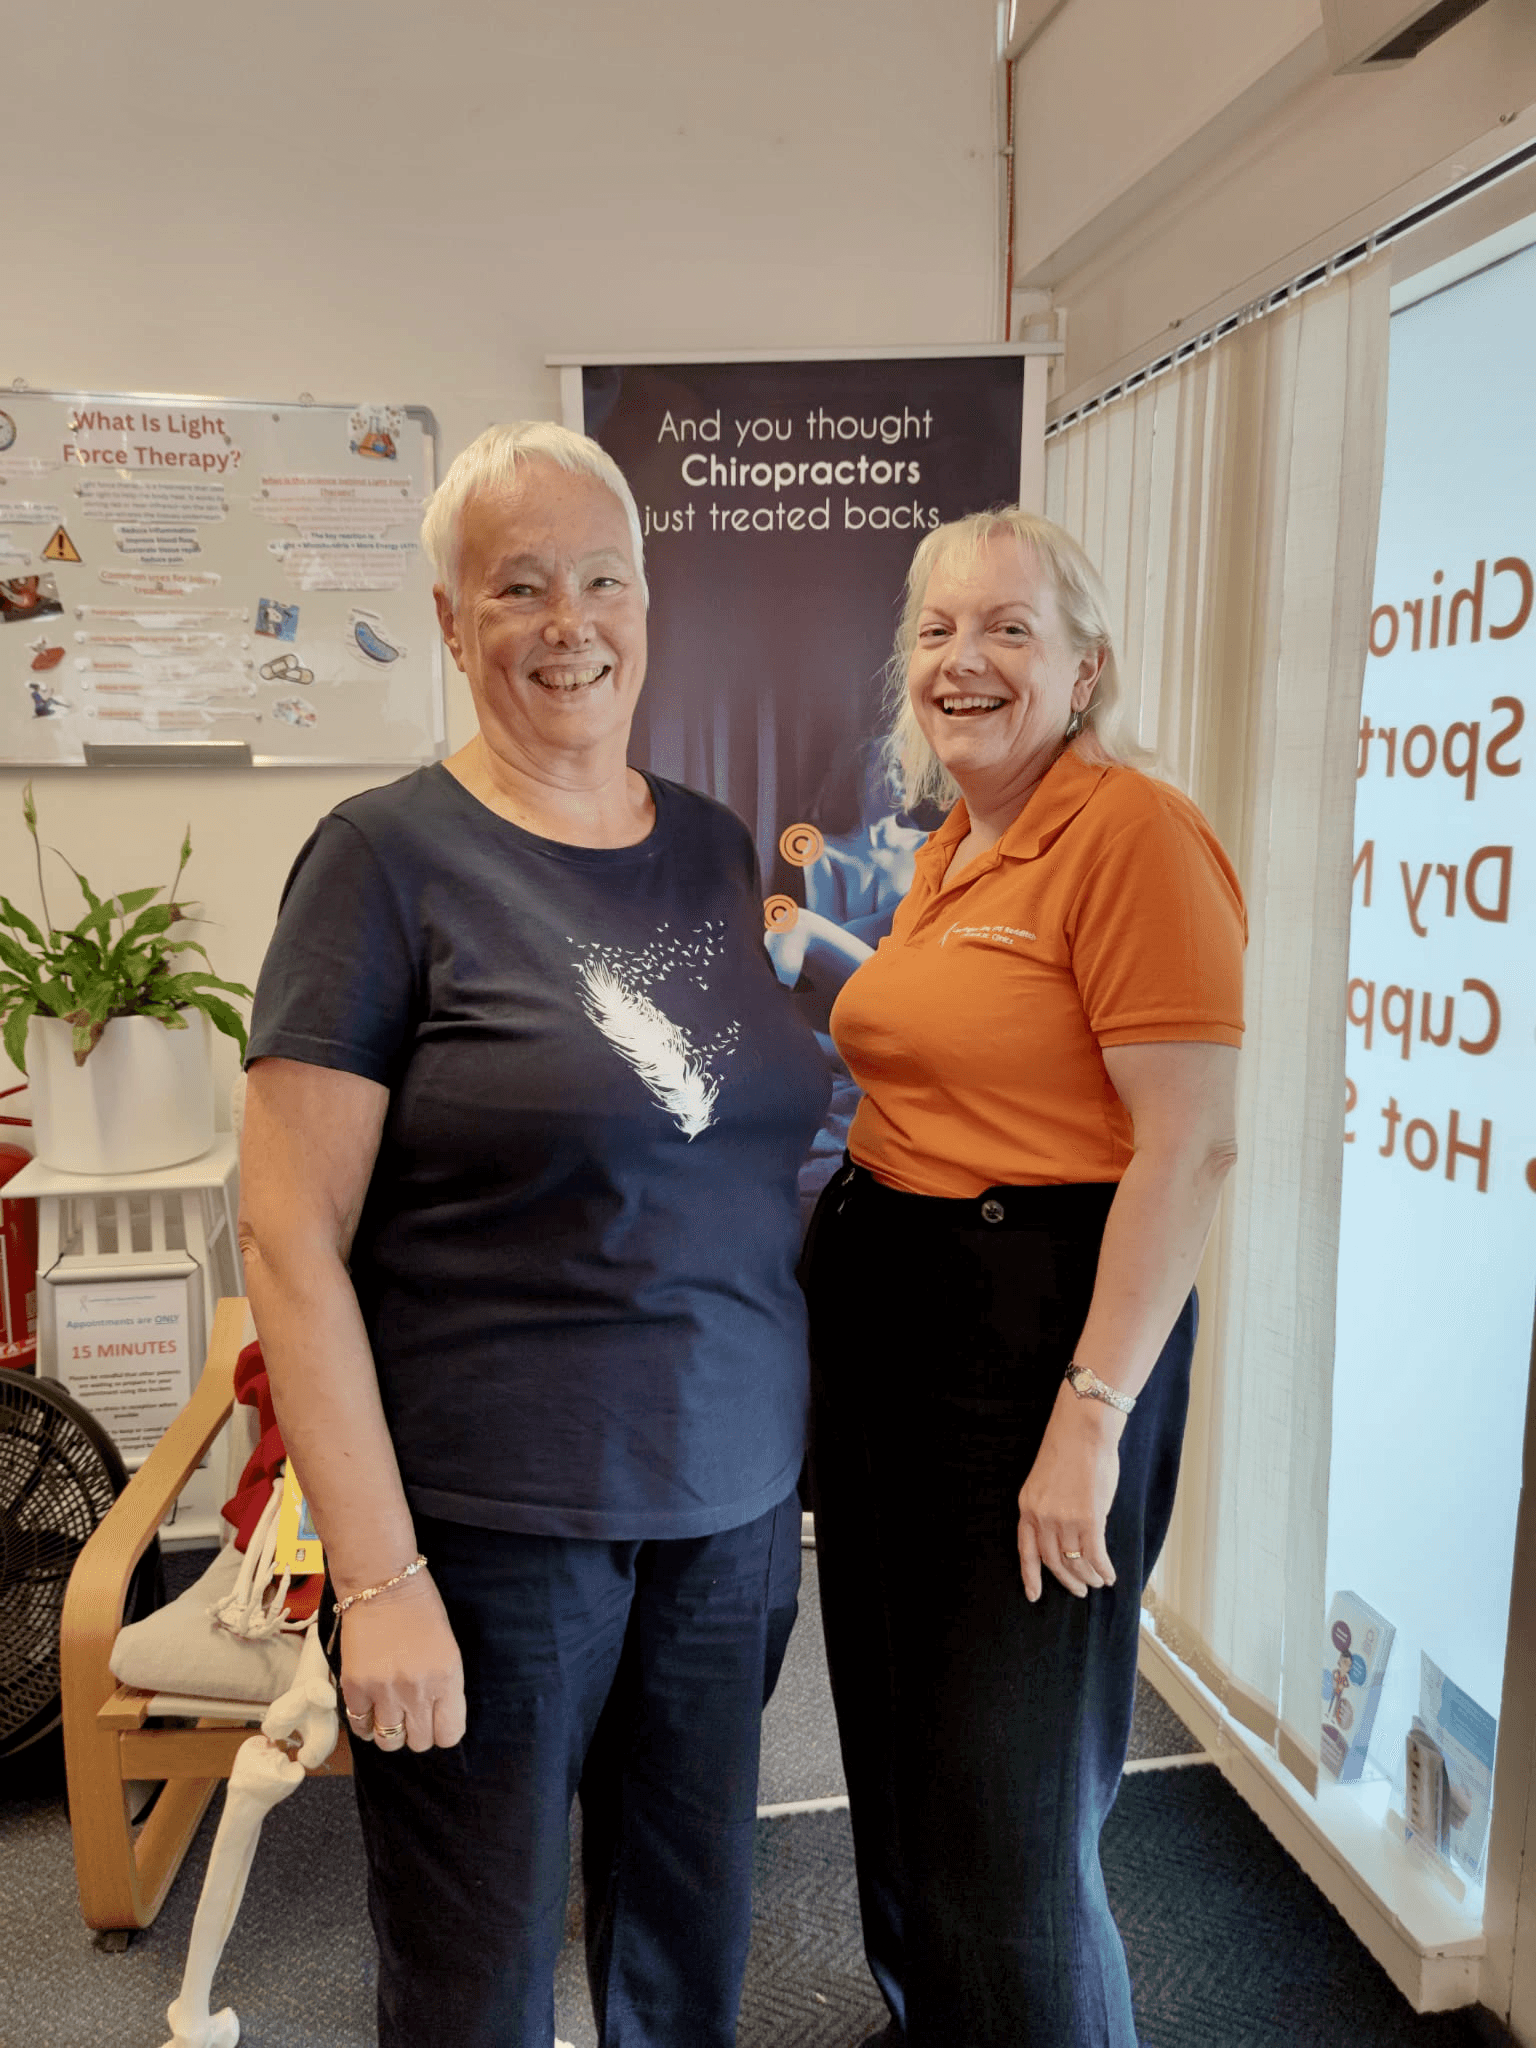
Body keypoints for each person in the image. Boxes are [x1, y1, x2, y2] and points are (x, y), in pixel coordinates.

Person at [238, 421, 829, 2048]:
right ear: (449, 620)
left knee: (686, 1949)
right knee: (476, 1974)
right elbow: (286, 1240)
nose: (570, 622)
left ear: (647, 604)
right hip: (495, 1535)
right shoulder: (385, 861)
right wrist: (381, 1581)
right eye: (519, 587)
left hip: (726, 1516)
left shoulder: (713, 846)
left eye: (602, 581)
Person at [799, 508, 1246, 2048]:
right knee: (902, 1743)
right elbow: (961, 1048)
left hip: (1038, 1339)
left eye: (1006, 629)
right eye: (935, 632)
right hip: (897, 1325)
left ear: (1085, 665)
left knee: (1006, 1797)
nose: (964, 661)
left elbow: (1189, 1148)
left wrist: (1092, 1411)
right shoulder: (953, 847)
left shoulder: (1132, 833)